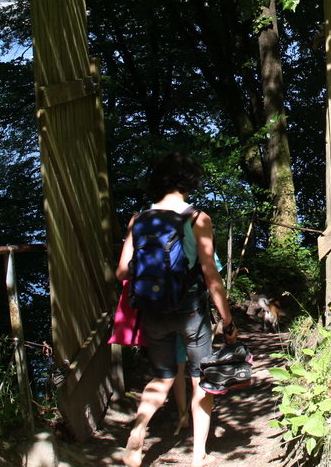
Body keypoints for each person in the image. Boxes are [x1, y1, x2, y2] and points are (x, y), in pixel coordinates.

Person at [116, 152, 238, 467]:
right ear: (189, 182)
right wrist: (227, 320)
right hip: (190, 310)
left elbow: (121, 273)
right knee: (201, 378)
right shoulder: (197, 219)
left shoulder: (138, 219)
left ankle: (139, 428)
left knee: (163, 375)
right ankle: (198, 456)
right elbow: (211, 276)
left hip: (152, 310)